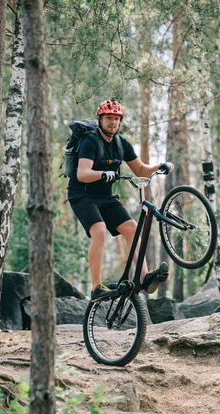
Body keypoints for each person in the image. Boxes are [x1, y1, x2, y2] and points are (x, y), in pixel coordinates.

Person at [67, 98, 173, 302]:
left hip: (106, 196)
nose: (113, 123)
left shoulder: (121, 143)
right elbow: (82, 173)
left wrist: (160, 166)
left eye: (116, 119)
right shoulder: (90, 141)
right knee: (98, 231)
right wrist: (102, 173)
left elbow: (140, 169)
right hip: (82, 195)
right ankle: (96, 287)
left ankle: (144, 277)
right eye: (109, 118)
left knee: (132, 228)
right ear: (100, 119)